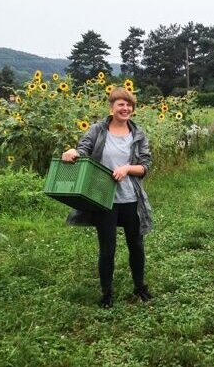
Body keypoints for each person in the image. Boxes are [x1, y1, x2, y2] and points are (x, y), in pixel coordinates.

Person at [62, 87, 153, 309]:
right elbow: (83, 150)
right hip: (104, 197)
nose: (126, 108)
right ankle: (106, 293)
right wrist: (72, 152)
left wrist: (127, 168)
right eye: (121, 104)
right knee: (107, 248)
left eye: (129, 104)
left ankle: (140, 287)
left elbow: (145, 165)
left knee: (136, 245)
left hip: (131, 198)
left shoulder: (138, 134)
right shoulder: (97, 130)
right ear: (111, 107)